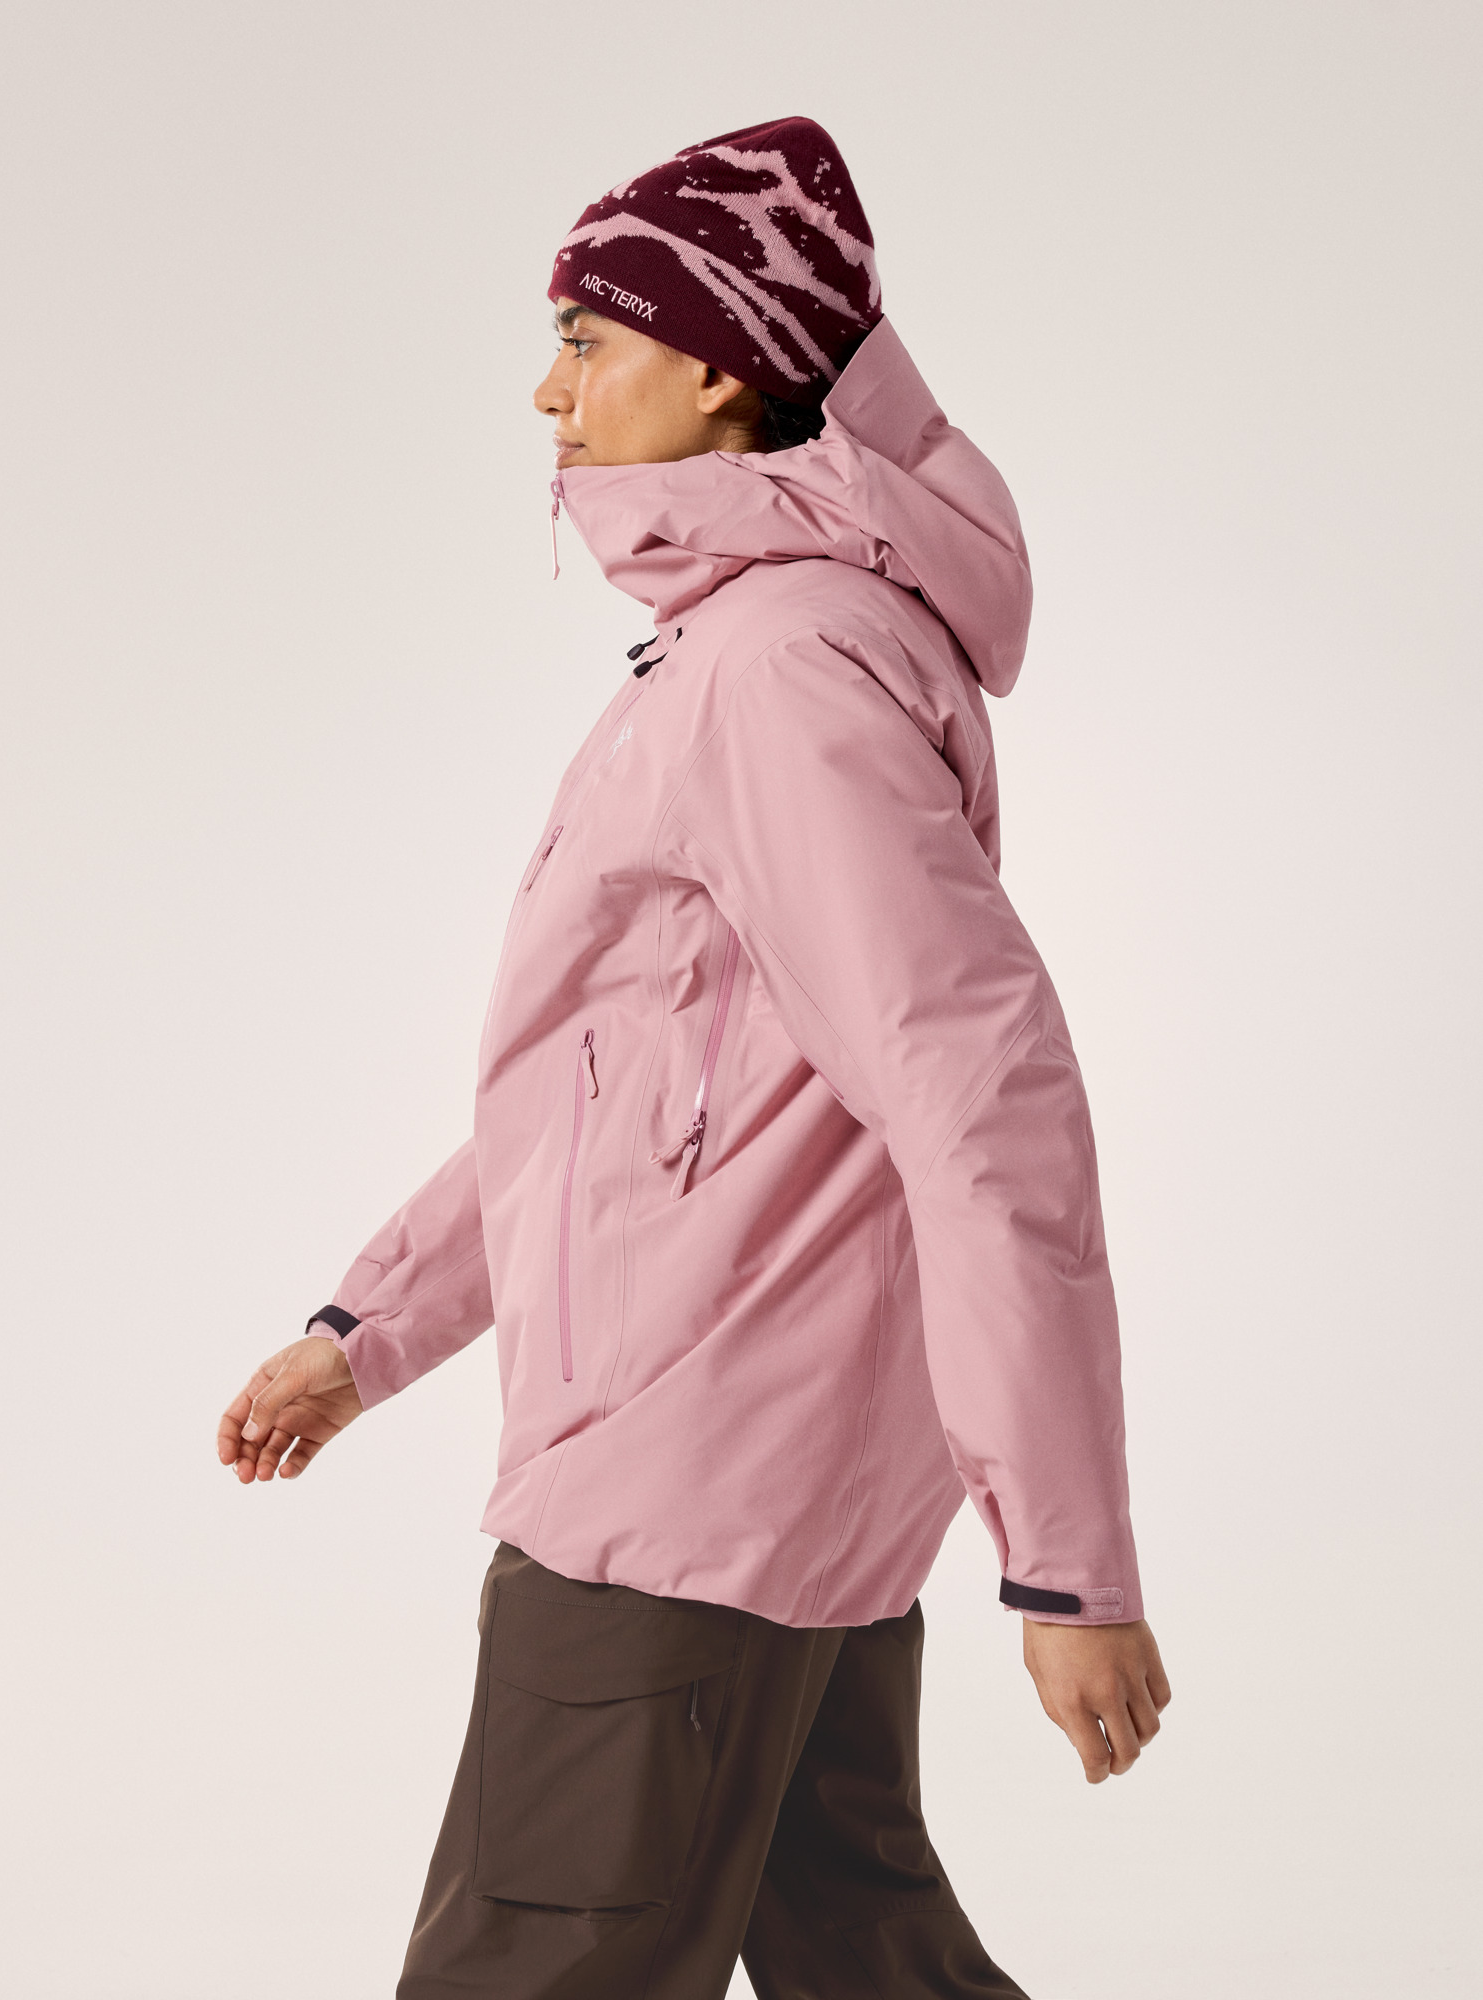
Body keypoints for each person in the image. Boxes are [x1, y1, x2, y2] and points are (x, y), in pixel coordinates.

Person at [216, 116, 1171, 1999]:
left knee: (532, 1963)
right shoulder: (766, 642)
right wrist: (368, 1330)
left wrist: (1069, 1558)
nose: (547, 391)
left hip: (677, 1487)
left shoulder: (777, 670)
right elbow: (626, 1088)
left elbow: (982, 1098)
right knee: (861, 1949)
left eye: (588, 340)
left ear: (724, 365)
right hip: (779, 1474)